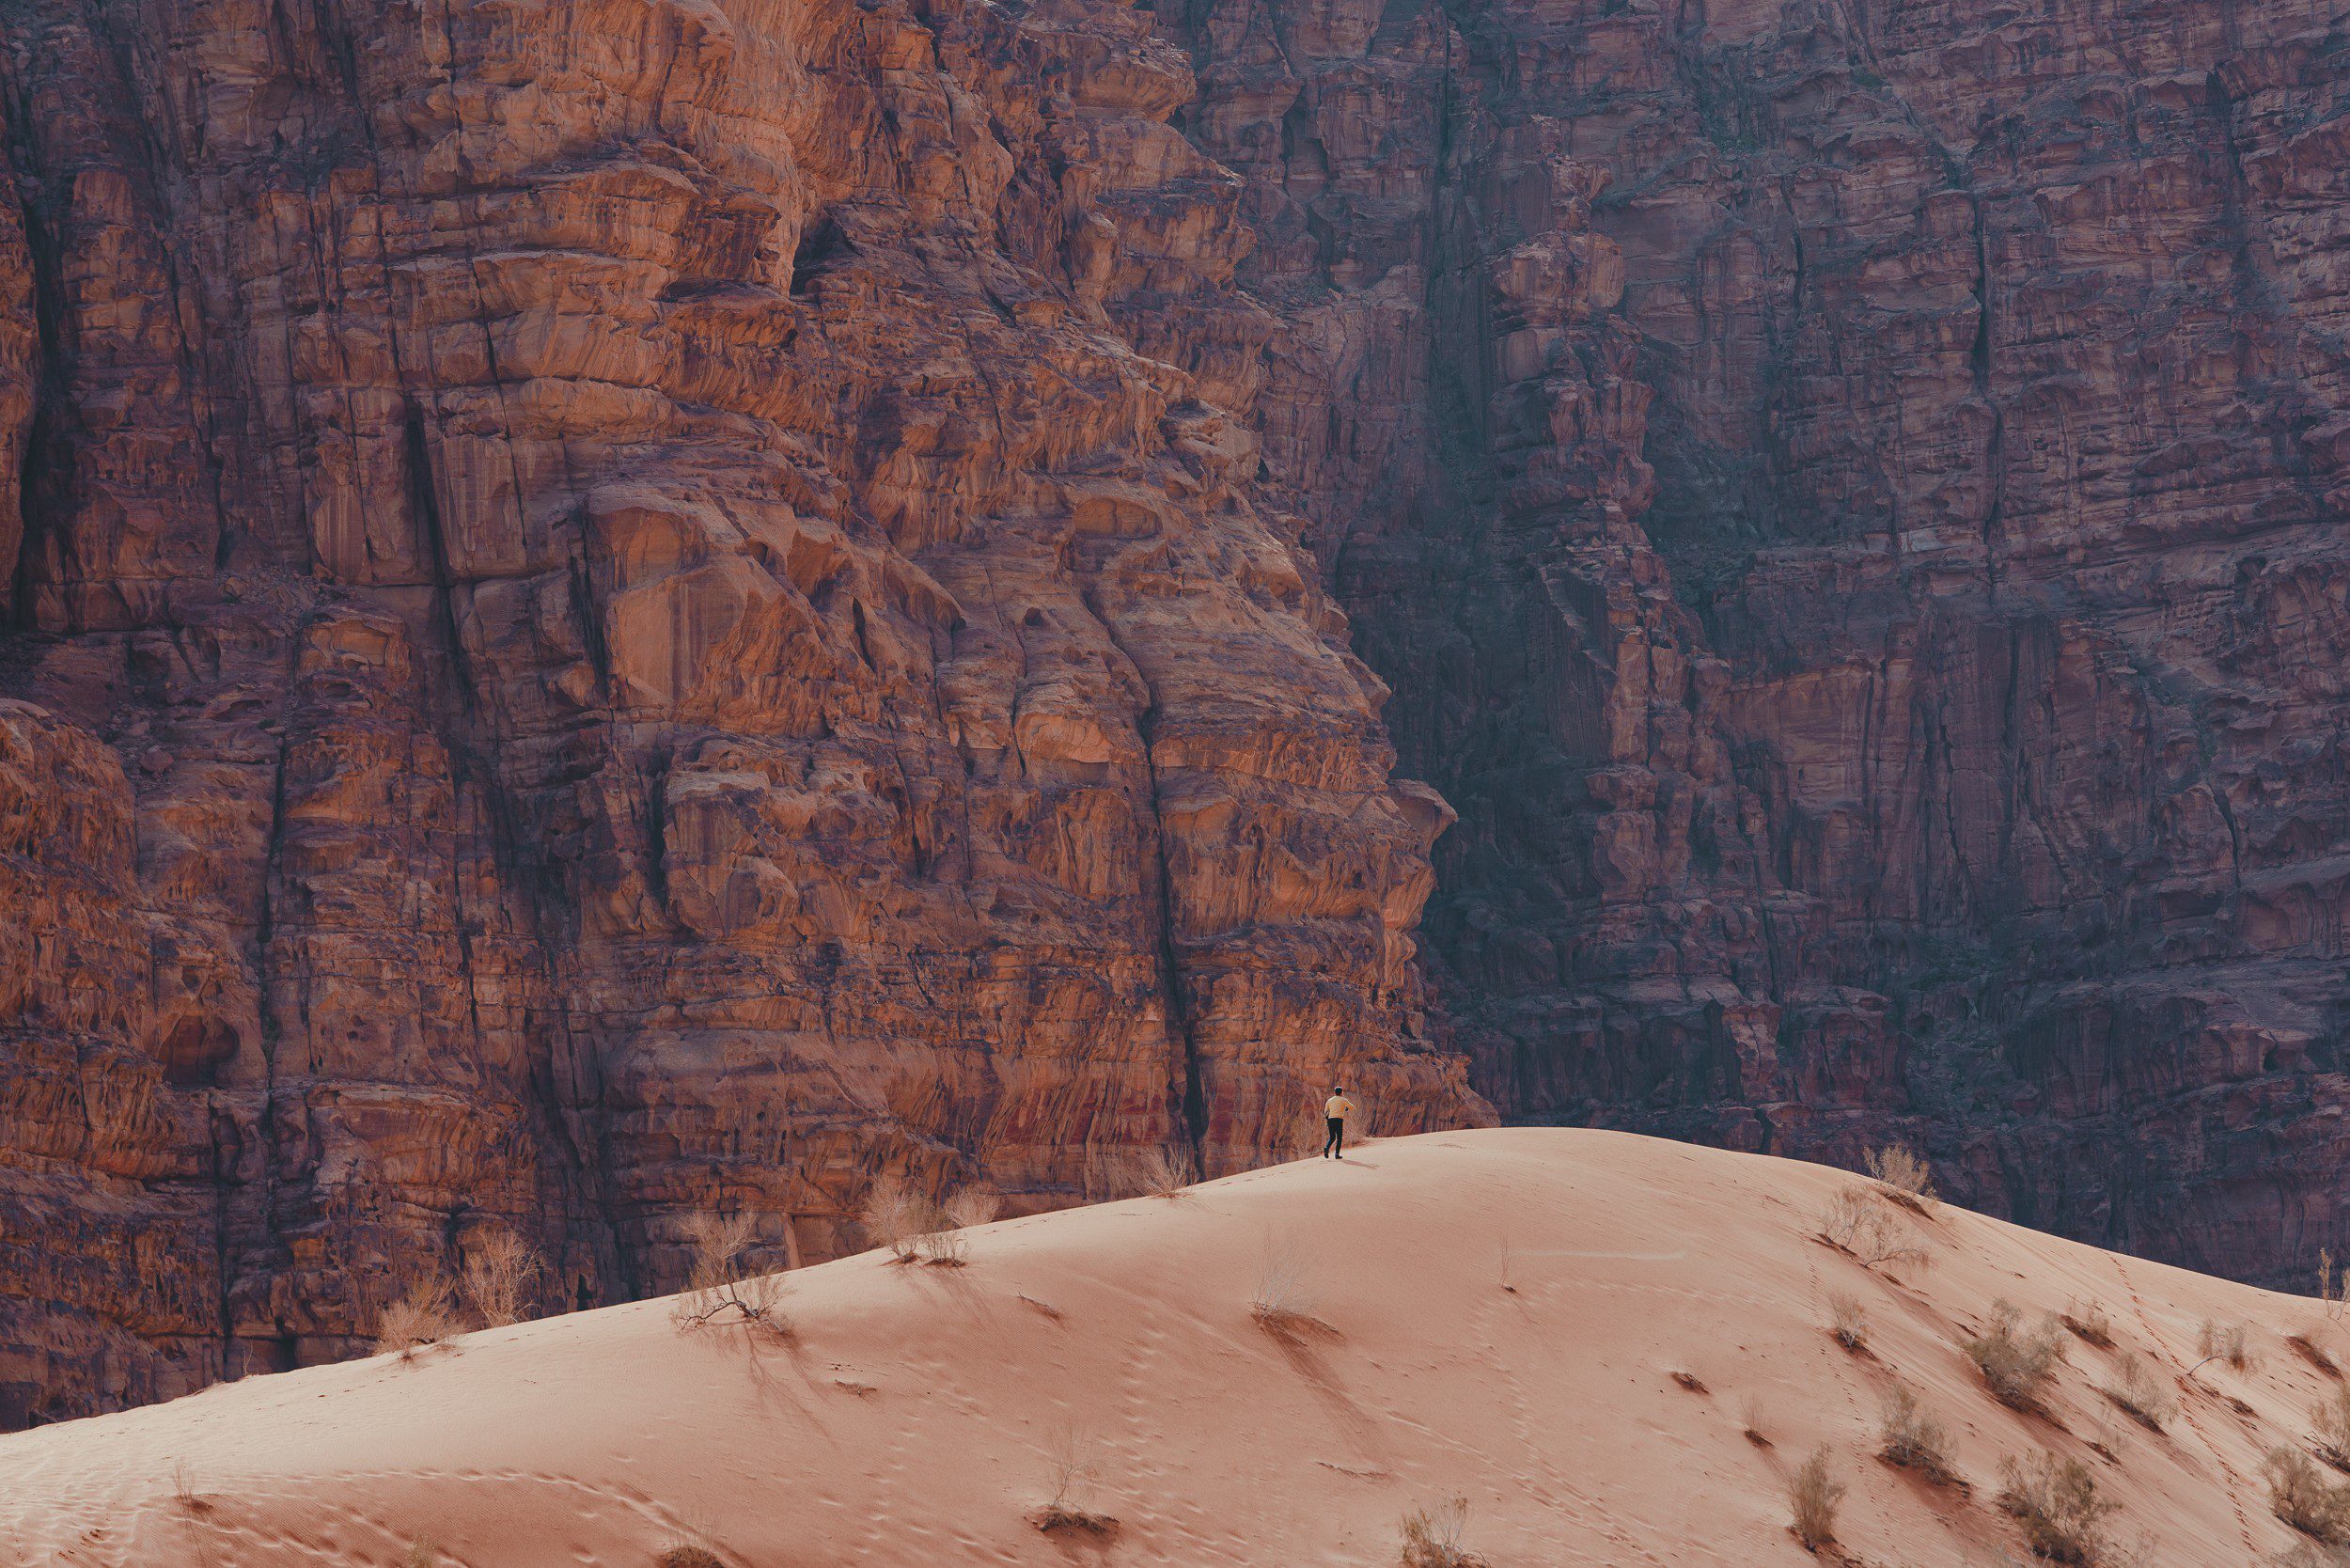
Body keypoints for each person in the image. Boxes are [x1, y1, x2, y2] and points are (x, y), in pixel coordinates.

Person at [1322, 1085, 1355, 1158]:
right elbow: (1352, 1107)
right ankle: (1337, 1155)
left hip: (1330, 1120)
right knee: (1339, 1138)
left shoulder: (1329, 1100)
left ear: (1335, 1093)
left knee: (1332, 1137)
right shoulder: (1343, 1100)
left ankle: (1327, 1147)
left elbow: (1326, 1111)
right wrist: (1346, 1108)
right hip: (1338, 1120)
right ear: (1341, 1093)